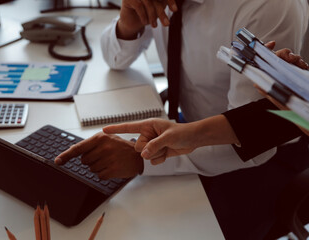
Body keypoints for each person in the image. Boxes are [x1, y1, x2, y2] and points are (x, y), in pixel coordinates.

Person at [55, 0, 309, 179]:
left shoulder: (268, 5)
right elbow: (115, 60)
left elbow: (258, 138)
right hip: (189, 130)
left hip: (260, 163)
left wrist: (143, 158)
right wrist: (127, 21)